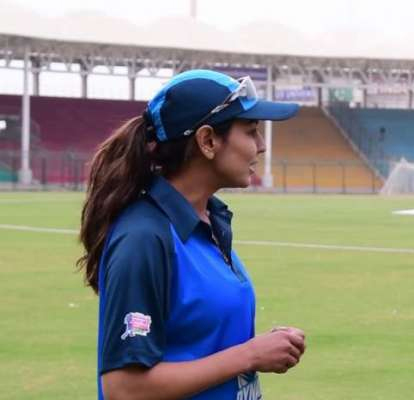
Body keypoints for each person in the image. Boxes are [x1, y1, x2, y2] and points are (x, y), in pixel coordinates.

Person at [77, 69, 306, 400]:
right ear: (208, 141)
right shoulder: (144, 237)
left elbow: (199, 339)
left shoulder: (210, 220)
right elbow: (124, 389)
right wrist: (250, 355)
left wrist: (263, 346)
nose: (261, 146)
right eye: (251, 131)